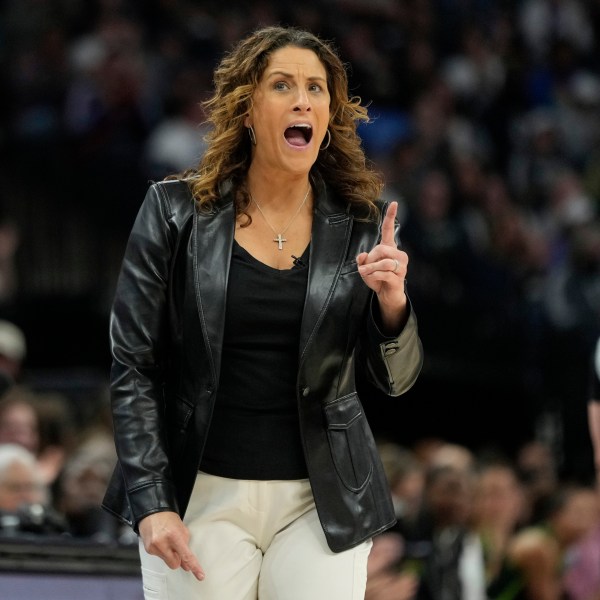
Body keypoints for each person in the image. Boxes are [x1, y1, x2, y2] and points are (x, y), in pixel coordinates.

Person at [101, 24, 423, 600]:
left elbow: (395, 381)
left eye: (316, 89)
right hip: (200, 493)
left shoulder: (362, 228)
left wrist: (392, 305)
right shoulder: (174, 214)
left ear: (328, 118)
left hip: (320, 501)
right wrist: (151, 501)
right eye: (282, 85)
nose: (303, 99)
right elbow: (135, 367)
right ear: (247, 109)